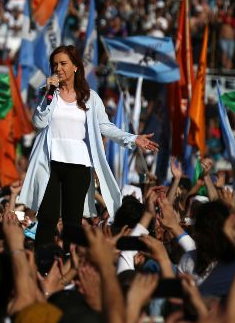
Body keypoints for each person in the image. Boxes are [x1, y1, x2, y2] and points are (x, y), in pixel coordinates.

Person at [18, 45, 158, 249]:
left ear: (75, 66)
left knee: (71, 223)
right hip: (50, 164)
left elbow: (105, 127)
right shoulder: (49, 93)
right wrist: (48, 94)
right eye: (55, 64)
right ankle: (42, 264)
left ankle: (68, 263)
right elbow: (39, 122)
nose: (58, 68)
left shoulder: (90, 97)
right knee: (47, 218)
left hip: (78, 166)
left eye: (63, 63)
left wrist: (133, 138)